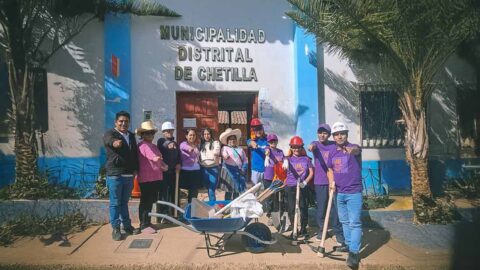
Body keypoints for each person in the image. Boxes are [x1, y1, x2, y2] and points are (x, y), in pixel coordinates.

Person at [326, 122, 362, 269]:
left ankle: (354, 253)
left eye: (342, 133)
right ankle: (348, 245)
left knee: (355, 223)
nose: (339, 136)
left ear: (346, 135)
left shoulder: (354, 147)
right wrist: (331, 183)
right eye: (336, 134)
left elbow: (356, 151)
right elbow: (329, 169)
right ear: (333, 137)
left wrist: (350, 150)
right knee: (344, 221)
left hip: (353, 192)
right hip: (339, 192)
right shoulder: (332, 152)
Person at [103, 111, 139, 241]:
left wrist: (136, 168)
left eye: (126, 121)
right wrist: (115, 143)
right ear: (116, 122)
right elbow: (110, 141)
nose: (124, 123)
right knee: (115, 203)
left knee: (124, 202)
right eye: (121, 121)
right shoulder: (110, 133)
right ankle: (116, 228)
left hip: (129, 174)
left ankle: (127, 226)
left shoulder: (131, 135)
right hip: (115, 174)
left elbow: (135, 153)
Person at [308, 124, 346, 248]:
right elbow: (311, 146)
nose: (322, 135)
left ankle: (338, 233)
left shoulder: (334, 145)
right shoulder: (316, 144)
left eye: (325, 133)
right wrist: (311, 147)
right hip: (320, 181)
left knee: (335, 208)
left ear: (329, 135)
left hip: (335, 181)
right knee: (321, 208)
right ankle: (322, 231)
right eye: (320, 132)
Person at [136, 120, 168, 234]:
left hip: (155, 178)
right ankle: (143, 225)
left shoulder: (153, 145)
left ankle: (147, 222)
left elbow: (160, 159)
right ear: (142, 135)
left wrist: (163, 165)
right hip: (146, 179)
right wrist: (155, 159)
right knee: (145, 201)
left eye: (151, 133)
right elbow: (151, 156)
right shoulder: (142, 145)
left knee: (150, 201)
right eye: (147, 133)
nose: (150, 135)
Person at [283, 136, 313, 238]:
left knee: (303, 208)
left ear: (301, 147)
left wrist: (305, 182)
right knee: (291, 209)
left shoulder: (307, 159)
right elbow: (282, 170)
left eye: (298, 147)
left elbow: (311, 173)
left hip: (302, 186)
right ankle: (294, 230)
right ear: (291, 148)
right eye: (294, 147)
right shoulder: (287, 159)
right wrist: (285, 162)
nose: (296, 149)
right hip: (290, 186)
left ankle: (303, 229)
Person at [157, 121, 181, 212]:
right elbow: (164, 144)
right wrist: (169, 144)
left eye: (171, 130)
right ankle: (164, 213)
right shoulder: (161, 141)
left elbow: (179, 156)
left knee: (175, 192)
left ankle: (176, 212)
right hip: (163, 173)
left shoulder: (175, 143)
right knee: (164, 193)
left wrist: (179, 163)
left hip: (174, 172)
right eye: (167, 131)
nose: (169, 132)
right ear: (163, 132)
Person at [220, 128, 248, 200]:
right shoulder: (225, 148)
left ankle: (235, 207)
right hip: (229, 171)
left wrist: (243, 168)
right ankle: (227, 208)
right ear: (227, 140)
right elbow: (224, 154)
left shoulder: (240, 149)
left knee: (236, 190)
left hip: (238, 171)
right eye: (230, 139)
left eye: (234, 139)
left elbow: (245, 160)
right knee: (229, 191)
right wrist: (226, 156)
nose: (232, 141)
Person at [263, 133, 285, 225]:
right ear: (268, 142)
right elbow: (266, 151)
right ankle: (270, 216)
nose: (273, 143)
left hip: (279, 177)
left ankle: (278, 216)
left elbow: (284, 160)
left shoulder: (280, 151)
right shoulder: (267, 149)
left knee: (278, 198)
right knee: (270, 197)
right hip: (268, 176)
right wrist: (267, 154)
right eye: (271, 141)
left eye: (274, 141)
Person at [179, 128, 202, 203]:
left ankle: (192, 209)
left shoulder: (196, 145)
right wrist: (190, 149)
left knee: (194, 193)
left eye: (194, 135)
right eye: (190, 135)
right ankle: (185, 209)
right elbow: (185, 148)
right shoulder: (183, 144)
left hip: (196, 171)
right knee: (186, 193)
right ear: (186, 136)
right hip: (187, 172)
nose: (192, 137)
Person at [199, 127, 221, 201]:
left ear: (211, 134)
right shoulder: (201, 144)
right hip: (204, 169)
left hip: (213, 168)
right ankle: (210, 204)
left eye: (208, 134)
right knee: (207, 188)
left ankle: (213, 206)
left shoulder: (216, 143)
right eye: (205, 134)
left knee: (212, 189)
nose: (206, 136)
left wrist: (216, 154)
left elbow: (217, 150)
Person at [247, 118, 268, 185]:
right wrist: (251, 142)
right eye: (255, 130)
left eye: (259, 129)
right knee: (255, 190)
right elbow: (248, 142)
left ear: (262, 129)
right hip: (255, 170)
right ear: (253, 131)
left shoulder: (268, 140)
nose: (258, 131)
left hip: (266, 170)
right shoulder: (252, 141)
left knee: (265, 191)